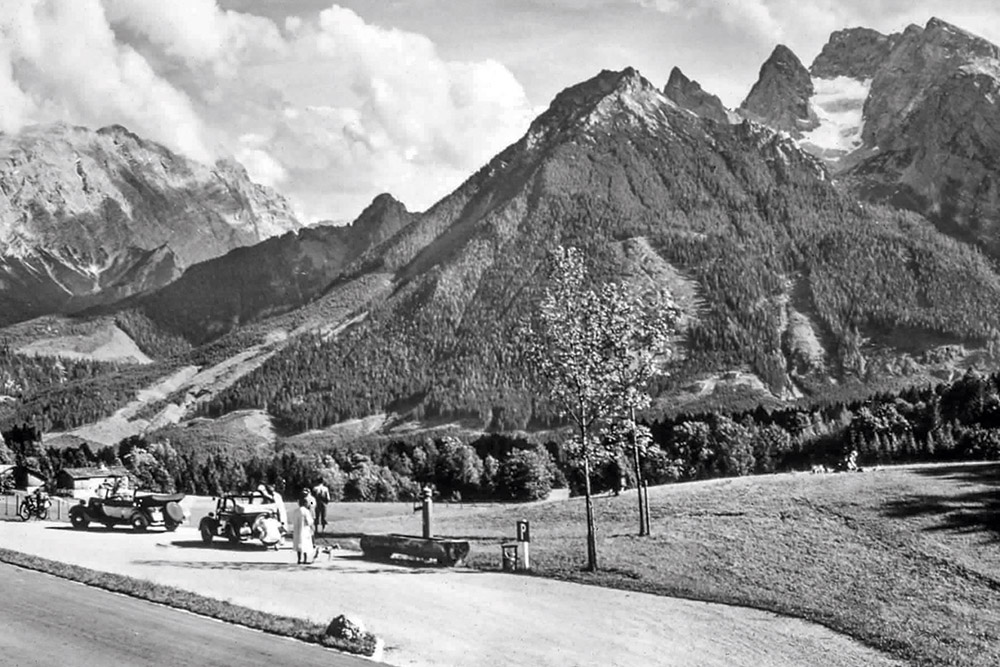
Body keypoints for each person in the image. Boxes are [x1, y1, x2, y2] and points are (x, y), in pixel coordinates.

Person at [292, 496, 315, 565]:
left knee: (298, 544)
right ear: (305, 503)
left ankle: (299, 559)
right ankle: (305, 559)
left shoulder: (296, 511)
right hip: (305, 529)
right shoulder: (306, 511)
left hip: (297, 530)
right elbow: (309, 521)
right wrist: (312, 527)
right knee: (305, 544)